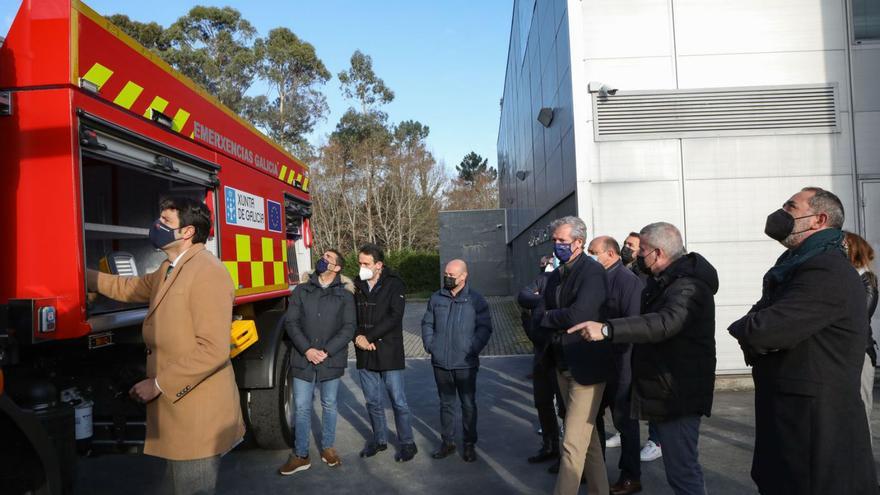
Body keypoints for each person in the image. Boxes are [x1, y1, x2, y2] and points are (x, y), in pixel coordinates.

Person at [88, 197, 244, 495]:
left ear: (187, 232)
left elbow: (213, 349)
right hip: (178, 412)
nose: (157, 226)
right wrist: (82, 275)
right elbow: (128, 287)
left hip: (198, 416)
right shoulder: (168, 269)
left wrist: (159, 383)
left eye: (165, 222)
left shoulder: (207, 271)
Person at [728, 188, 878, 494]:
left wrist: (746, 328)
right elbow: (763, 321)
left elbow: (764, 328)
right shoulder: (797, 266)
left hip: (814, 434)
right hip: (794, 425)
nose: (780, 213)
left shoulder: (826, 269)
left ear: (818, 220)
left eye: (791, 207)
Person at [569, 222, 717, 495]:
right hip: (663, 386)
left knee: (683, 470)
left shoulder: (688, 287)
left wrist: (607, 329)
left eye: (643, 250)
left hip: (678, 391)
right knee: (678, 470)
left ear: (658, 253)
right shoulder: (664, 282)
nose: (637, 255)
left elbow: (663, 323)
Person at [540, 216, 610, 495]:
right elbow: (543, 310)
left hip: (586, 367)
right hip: (562, 363)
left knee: (570, 444)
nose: (557, 245)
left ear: (578, 243)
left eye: (562, 241)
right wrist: (551, 317)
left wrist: (548, 317)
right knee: (587, 440)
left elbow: (581, 315)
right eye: (554, 240)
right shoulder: (559, 274)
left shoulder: (592, 272)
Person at [279, 249, 355, 476]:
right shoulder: (302, 290)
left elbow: (349, 327)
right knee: (302, 407)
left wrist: (327, 351)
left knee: (329, 404)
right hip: (304, 358)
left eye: (328, 259)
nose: (323, 260)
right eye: (322, 256)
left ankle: (328, 448)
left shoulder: (345, 295)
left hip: (331, 359)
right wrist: (308, 350)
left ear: (337, 268)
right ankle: (301, 455)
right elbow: (291, 323)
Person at [586, 236, 645, 495]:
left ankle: (631, 476)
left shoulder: (627, 281)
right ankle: (594, 471)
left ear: (610, 254)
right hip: (596, 361)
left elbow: (632, 325)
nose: (590, 257)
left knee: (624, 422)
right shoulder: (594, 279)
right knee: (592, 418)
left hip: (620, 364)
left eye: (593, 252)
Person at [421, 259, 493, 463]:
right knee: (446, 404)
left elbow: (485, 328)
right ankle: (447, 443)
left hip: (466, 364)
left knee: (468, 405)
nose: (447, 278)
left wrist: (472, 348)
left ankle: (469, 445)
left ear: (463, 276)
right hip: (441, 363)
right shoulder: (436, 298)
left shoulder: (476, 300)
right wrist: (430, 345)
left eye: (452, 275)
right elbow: (427, 322)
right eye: (446, 274)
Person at [352, 243, 417, 462]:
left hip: (388, 351)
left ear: (378, 265)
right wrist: (358, 337)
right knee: (372, 401)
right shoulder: (356, 284)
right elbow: (350, 316)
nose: (361, 267)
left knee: (398, 401)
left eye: (366, 263)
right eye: (360, 262)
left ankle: (407, 443)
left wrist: (368, 337)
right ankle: (379, 440)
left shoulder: (394, 284)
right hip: (364, 352)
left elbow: (394, 316)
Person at [518, 255, 566, 464]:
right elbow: (523, 295)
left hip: (563, 356)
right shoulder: (546, 279)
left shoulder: (578, 281)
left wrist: (542, 301)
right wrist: (544, 300)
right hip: (541, 353)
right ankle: (550, 447)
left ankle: (567, 455)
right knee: (542, 402)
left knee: (565, 408)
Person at [622, 231, 663, 464]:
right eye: (625, 243)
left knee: (650, 392)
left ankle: (656, 441)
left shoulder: (648, 276)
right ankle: (625, 432)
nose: (626, 248)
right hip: (631, 340)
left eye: (632, 245)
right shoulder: (628, 270)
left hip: (645, 340)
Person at [844, 231, 879, 441]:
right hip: (844, 352)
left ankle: (862, 460)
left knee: (861, 407)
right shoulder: (846, 277)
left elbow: (861, 315)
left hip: (859, 352)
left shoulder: (866, 278)